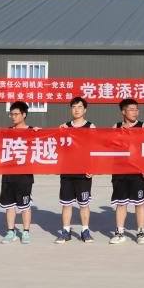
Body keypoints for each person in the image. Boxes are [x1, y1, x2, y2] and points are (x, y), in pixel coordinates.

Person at [110, 98, 144, 245]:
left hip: (138, 172)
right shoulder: (116, 127)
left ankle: (141, 232)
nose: (135, 112)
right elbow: (108, 147)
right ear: (123, 111)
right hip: (120, 171)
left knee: (140, 203)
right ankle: (120, 232)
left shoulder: (143, 126)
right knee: (121, 203)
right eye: (131, 109)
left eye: (136, 109)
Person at [55, 96, 95, 244]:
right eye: (74, 107)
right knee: (66, 203)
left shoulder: (90, 127)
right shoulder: (64, 127)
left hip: (84, 172)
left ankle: (85, 230)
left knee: (83, 203)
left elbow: (94, 149)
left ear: (85, 110)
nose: (76, 110)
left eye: (79, 107)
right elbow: (57, 148)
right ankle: (66, 230)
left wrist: (93, 167)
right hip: (67, 171)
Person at [0, 101, 35, 245]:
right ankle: (11, 231)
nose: (13, 117)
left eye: (16, 114)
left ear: (24, 115)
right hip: (8, 174)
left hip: (24, 175)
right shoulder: (7, 131)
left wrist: (39, 132)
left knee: (25, 205)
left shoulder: (33, 131)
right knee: (9, 205)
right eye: (11, 114)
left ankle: (26, 231)